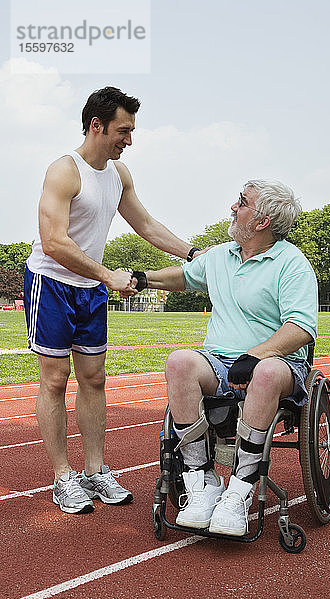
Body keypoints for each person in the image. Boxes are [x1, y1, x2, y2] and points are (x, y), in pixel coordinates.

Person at [24, 87, 202, 514]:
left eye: (132, 131)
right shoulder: (64, 171)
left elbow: (144, 222)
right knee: (54, 379)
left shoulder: (119, 174)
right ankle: (63, 477)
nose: (129, 139)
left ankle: (95, 470)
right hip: (51, 283)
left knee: (96, 379)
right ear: (96, 125)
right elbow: (53, 242)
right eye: (124, 130)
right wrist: (108, 275)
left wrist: (193, 254)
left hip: (90, 289)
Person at [131, 179, 318, 536]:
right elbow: (184, 277)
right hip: (220, 361)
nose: (233, 207)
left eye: (242, 202)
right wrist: (144, 279)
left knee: (264, 374)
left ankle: (240, 491)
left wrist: (257, 355)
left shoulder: (291, 264)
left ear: (262, 221)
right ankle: (202, 482)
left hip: (278, 363)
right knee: (180, 362)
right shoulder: (220, 255)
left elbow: (301, 327)